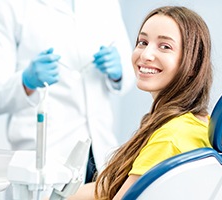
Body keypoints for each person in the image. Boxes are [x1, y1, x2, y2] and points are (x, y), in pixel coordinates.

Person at [0, 0, 134, 185]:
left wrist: (118, 72)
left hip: (101, 153)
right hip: (45, 155)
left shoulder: (107, 4)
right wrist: (26, 82)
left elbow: (129, 74)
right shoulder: (8, 5)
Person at [64, 5, 213, 200]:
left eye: (165, 46)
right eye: (143, 42)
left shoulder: (171, 138)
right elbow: (111, 186)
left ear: (192, 63)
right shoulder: (193, 122)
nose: (145, 55)